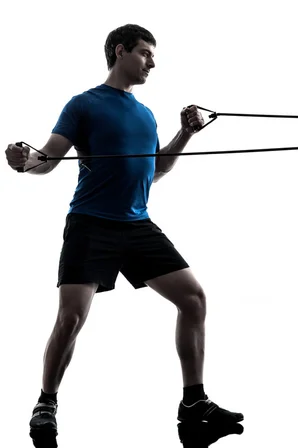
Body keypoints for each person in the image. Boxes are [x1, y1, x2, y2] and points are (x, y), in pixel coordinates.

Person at [4, 24, 243, 437]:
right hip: (91, 225)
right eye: (146, 53)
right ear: (120, 51)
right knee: (71, 318)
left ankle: (194, 403)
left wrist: (185, 133)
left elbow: (158, 169)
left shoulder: (145, 114)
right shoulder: (84, 104)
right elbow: (46, 160)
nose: (152, 62)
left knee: (194, 298)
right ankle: (46, 403)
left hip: (137, 224)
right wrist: (23, 161)